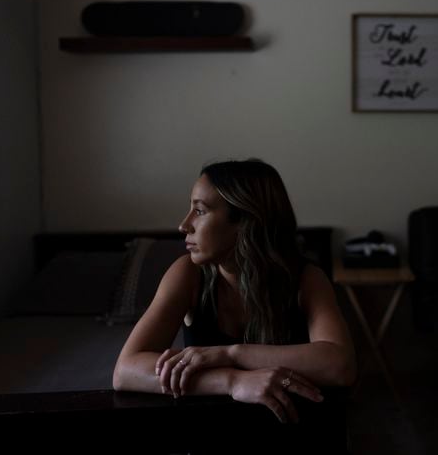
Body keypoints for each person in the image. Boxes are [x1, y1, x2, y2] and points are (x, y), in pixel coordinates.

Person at [113, 159, 356, 425]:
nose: (184, 225)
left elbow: (340, 365)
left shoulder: (306, 278)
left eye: (200, 211)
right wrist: (232, 380)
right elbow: (126, 371)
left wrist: (230, 354)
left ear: (245, 221)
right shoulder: (188, 274)